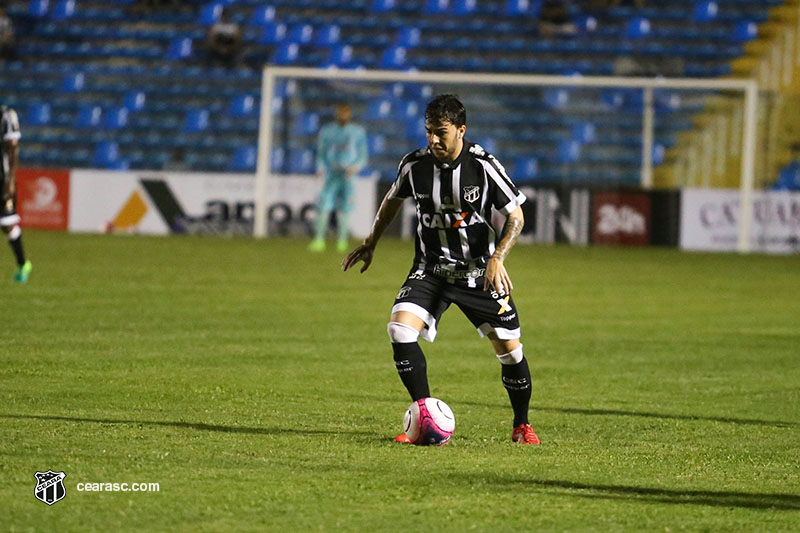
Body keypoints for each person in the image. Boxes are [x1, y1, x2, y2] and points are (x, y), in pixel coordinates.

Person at [342, 94, 539, 445]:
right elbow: (392, 199)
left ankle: (522, 425)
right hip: (430, 270)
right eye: (429, 132)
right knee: (399, 330)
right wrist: (371, 241)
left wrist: (498, 258)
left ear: (461, 130)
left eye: (441, 133)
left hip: (479, 273)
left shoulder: (482, 166)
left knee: (510, 351)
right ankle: (423, 417)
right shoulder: (414, 165)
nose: (433, 140)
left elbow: (516, 214)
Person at [309, 103, 368, 253]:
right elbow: (321, 153)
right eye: (340, 113)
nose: (342, 116)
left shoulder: (357, 132)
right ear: (336, 114)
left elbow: (362, 155)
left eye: (345, 113)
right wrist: (321, 168)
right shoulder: (327, 131)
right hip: (331, 174)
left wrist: (355, 167)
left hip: (348, 175)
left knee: (345, 208)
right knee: (323, 206)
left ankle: (342, 241)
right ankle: (318, 240)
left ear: (349, 115)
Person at [1, 104, 31, 283]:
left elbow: (13, 149)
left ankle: (22, 263)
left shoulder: (5, 116)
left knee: (7, 224)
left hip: (2, 179)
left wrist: (10, 181)